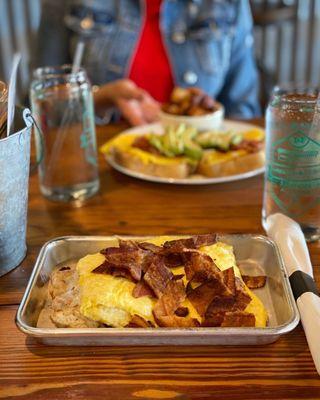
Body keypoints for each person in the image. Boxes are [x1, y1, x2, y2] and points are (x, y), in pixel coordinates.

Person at [37, 0, 260, 125]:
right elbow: (43, 106)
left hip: (202, 177)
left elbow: (243, 107)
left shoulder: (229, 4)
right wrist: (99, 100)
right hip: (102, 168)